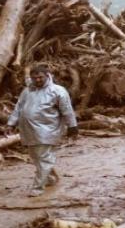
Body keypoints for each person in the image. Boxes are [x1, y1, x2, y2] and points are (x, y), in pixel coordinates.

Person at [7, 64, 78, 197]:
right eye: (34, 78)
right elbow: (18, 108)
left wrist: (72, 127)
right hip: (29, 131)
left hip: (48, 130)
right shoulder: (27, 91)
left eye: (40, 77)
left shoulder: (58, 91)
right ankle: (50, 178)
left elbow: (67, 110)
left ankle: (37, 188)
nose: (37, 80)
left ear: (47, 76)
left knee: (43, 158)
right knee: (36, 157)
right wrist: (11, 123)